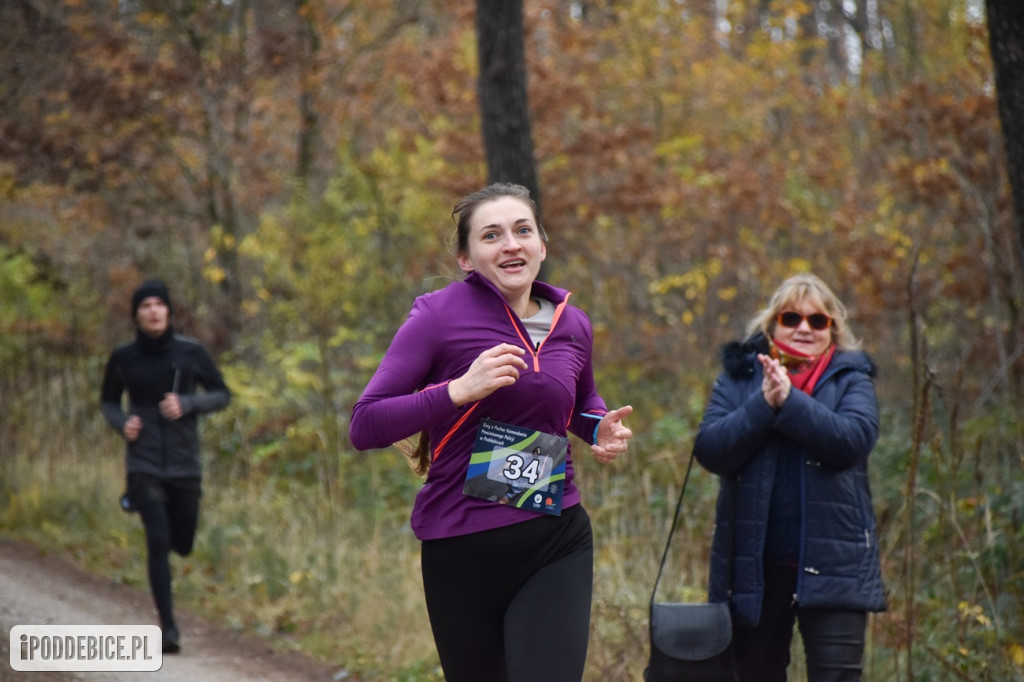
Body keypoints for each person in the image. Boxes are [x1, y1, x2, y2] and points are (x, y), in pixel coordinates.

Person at [349, 182, 633, 682]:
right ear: (466, 257)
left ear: (542, 245)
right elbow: (365, 424)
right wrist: (458, 390)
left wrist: (597, 428)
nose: (511, 245)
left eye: (523, 231)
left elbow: (577, 401)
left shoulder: (574, 324)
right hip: (462, 543)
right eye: (492, 235)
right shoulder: (438, 315)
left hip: (555, 537)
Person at [693, 273, 886, 682]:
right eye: (791, 317)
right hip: (753, 572)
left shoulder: (852, 378)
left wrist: (790, 402)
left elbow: (852, 442)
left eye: (818, 321)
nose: (804, 328)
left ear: (833, 329)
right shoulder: (741, 376)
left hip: (836, 567)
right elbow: (709, 449)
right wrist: (764, 404)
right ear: (772, 324)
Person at [100, 279, 231, 654]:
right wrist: (122, 423)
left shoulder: (190, 353)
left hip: (184, 461)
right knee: (157, 539)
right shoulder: (123, 357)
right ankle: (169, 629)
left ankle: (176, 549)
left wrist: (187, 404)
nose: (154, 310)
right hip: (143, 461)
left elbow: (222, 394)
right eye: (146, 305)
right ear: (136, 314)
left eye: (160, 303)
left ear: (169, 311)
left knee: (183, 543)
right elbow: (108, 401)